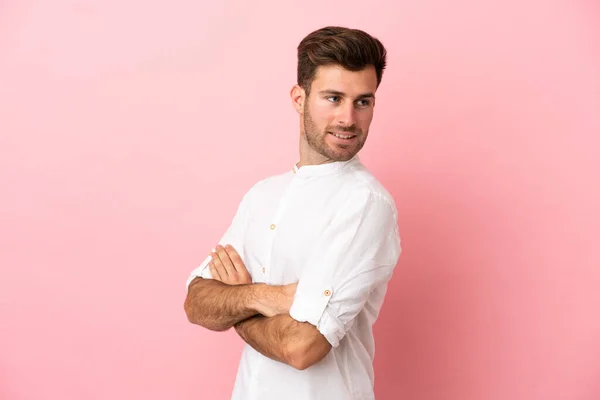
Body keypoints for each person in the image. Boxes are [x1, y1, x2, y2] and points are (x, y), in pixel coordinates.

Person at [184, 25, 402, 400]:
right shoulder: (262, 195)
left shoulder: (364, 204)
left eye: (363, 101)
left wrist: (238, 304)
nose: (348, 119)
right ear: (299, 98)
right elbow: (197, 302)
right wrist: (265, 297)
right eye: (333, 98)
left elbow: (301, 348)